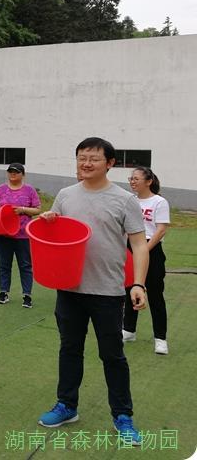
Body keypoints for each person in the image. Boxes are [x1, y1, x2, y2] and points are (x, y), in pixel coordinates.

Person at [36, 137, 148, 446]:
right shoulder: (65, 195)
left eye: (94, 158)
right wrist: (48, 220)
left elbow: (139, 245)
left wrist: (138, 283)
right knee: (69, 348)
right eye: (81, 157)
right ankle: (66, 405)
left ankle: (123, 416)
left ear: (109, 163)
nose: (86, 163)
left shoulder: (124, 200)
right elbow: (55, 233)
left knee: (112, 355)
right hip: (70, 288)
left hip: (107, 291)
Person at [123, 166, 170, 355]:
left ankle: (160, 339)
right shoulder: (130, 201)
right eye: (131, 179)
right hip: (130, 247)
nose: (132, 182)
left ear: (148, 181)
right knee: (129, 289)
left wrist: (143, 251)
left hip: (151, 248)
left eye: (136, 178)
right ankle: (128, 330)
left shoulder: (159, 201)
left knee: (155, 295)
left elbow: (161, 229)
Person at [0, 162, 41, 308]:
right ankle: (3, 293)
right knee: (4, 265)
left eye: (16, 172)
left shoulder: (29, 190)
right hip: (3, 234)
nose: (13, 174)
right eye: (10, 171)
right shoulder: (1, 189)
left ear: (22, 174)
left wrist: (22, 209)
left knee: (25, 265)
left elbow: (37, 209)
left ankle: (27, 295)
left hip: (23, 234)